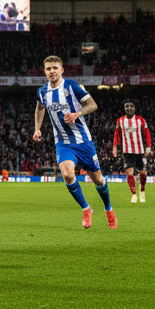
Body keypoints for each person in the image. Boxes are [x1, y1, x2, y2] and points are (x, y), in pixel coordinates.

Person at [32, 56, 117, 229]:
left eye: (55, 68)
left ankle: (108, 209)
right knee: (68, 174)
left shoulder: (72, 86)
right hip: (63, 142)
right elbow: (40, 107)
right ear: (45, 71)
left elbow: (92, 105)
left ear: (62, 70)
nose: (52, 71)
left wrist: (76, 114)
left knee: (98, 179)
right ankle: (86, 209)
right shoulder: (42, 92)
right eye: (48, 69)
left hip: (83, 140)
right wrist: (37, 128)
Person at [113, 100, 152, 204]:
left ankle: (142, 190)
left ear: (134, 108)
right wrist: (115, 147)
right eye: (127, 106)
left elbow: (147, 133)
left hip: (139, 150)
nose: (129, 108)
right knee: (129, 172)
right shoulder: (120, 120)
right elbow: (116, 134)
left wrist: (149, 146)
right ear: (124, 109)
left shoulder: (140, 120)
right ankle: (134, 194)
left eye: (131, 106)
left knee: (142, 173)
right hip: (127, 151)